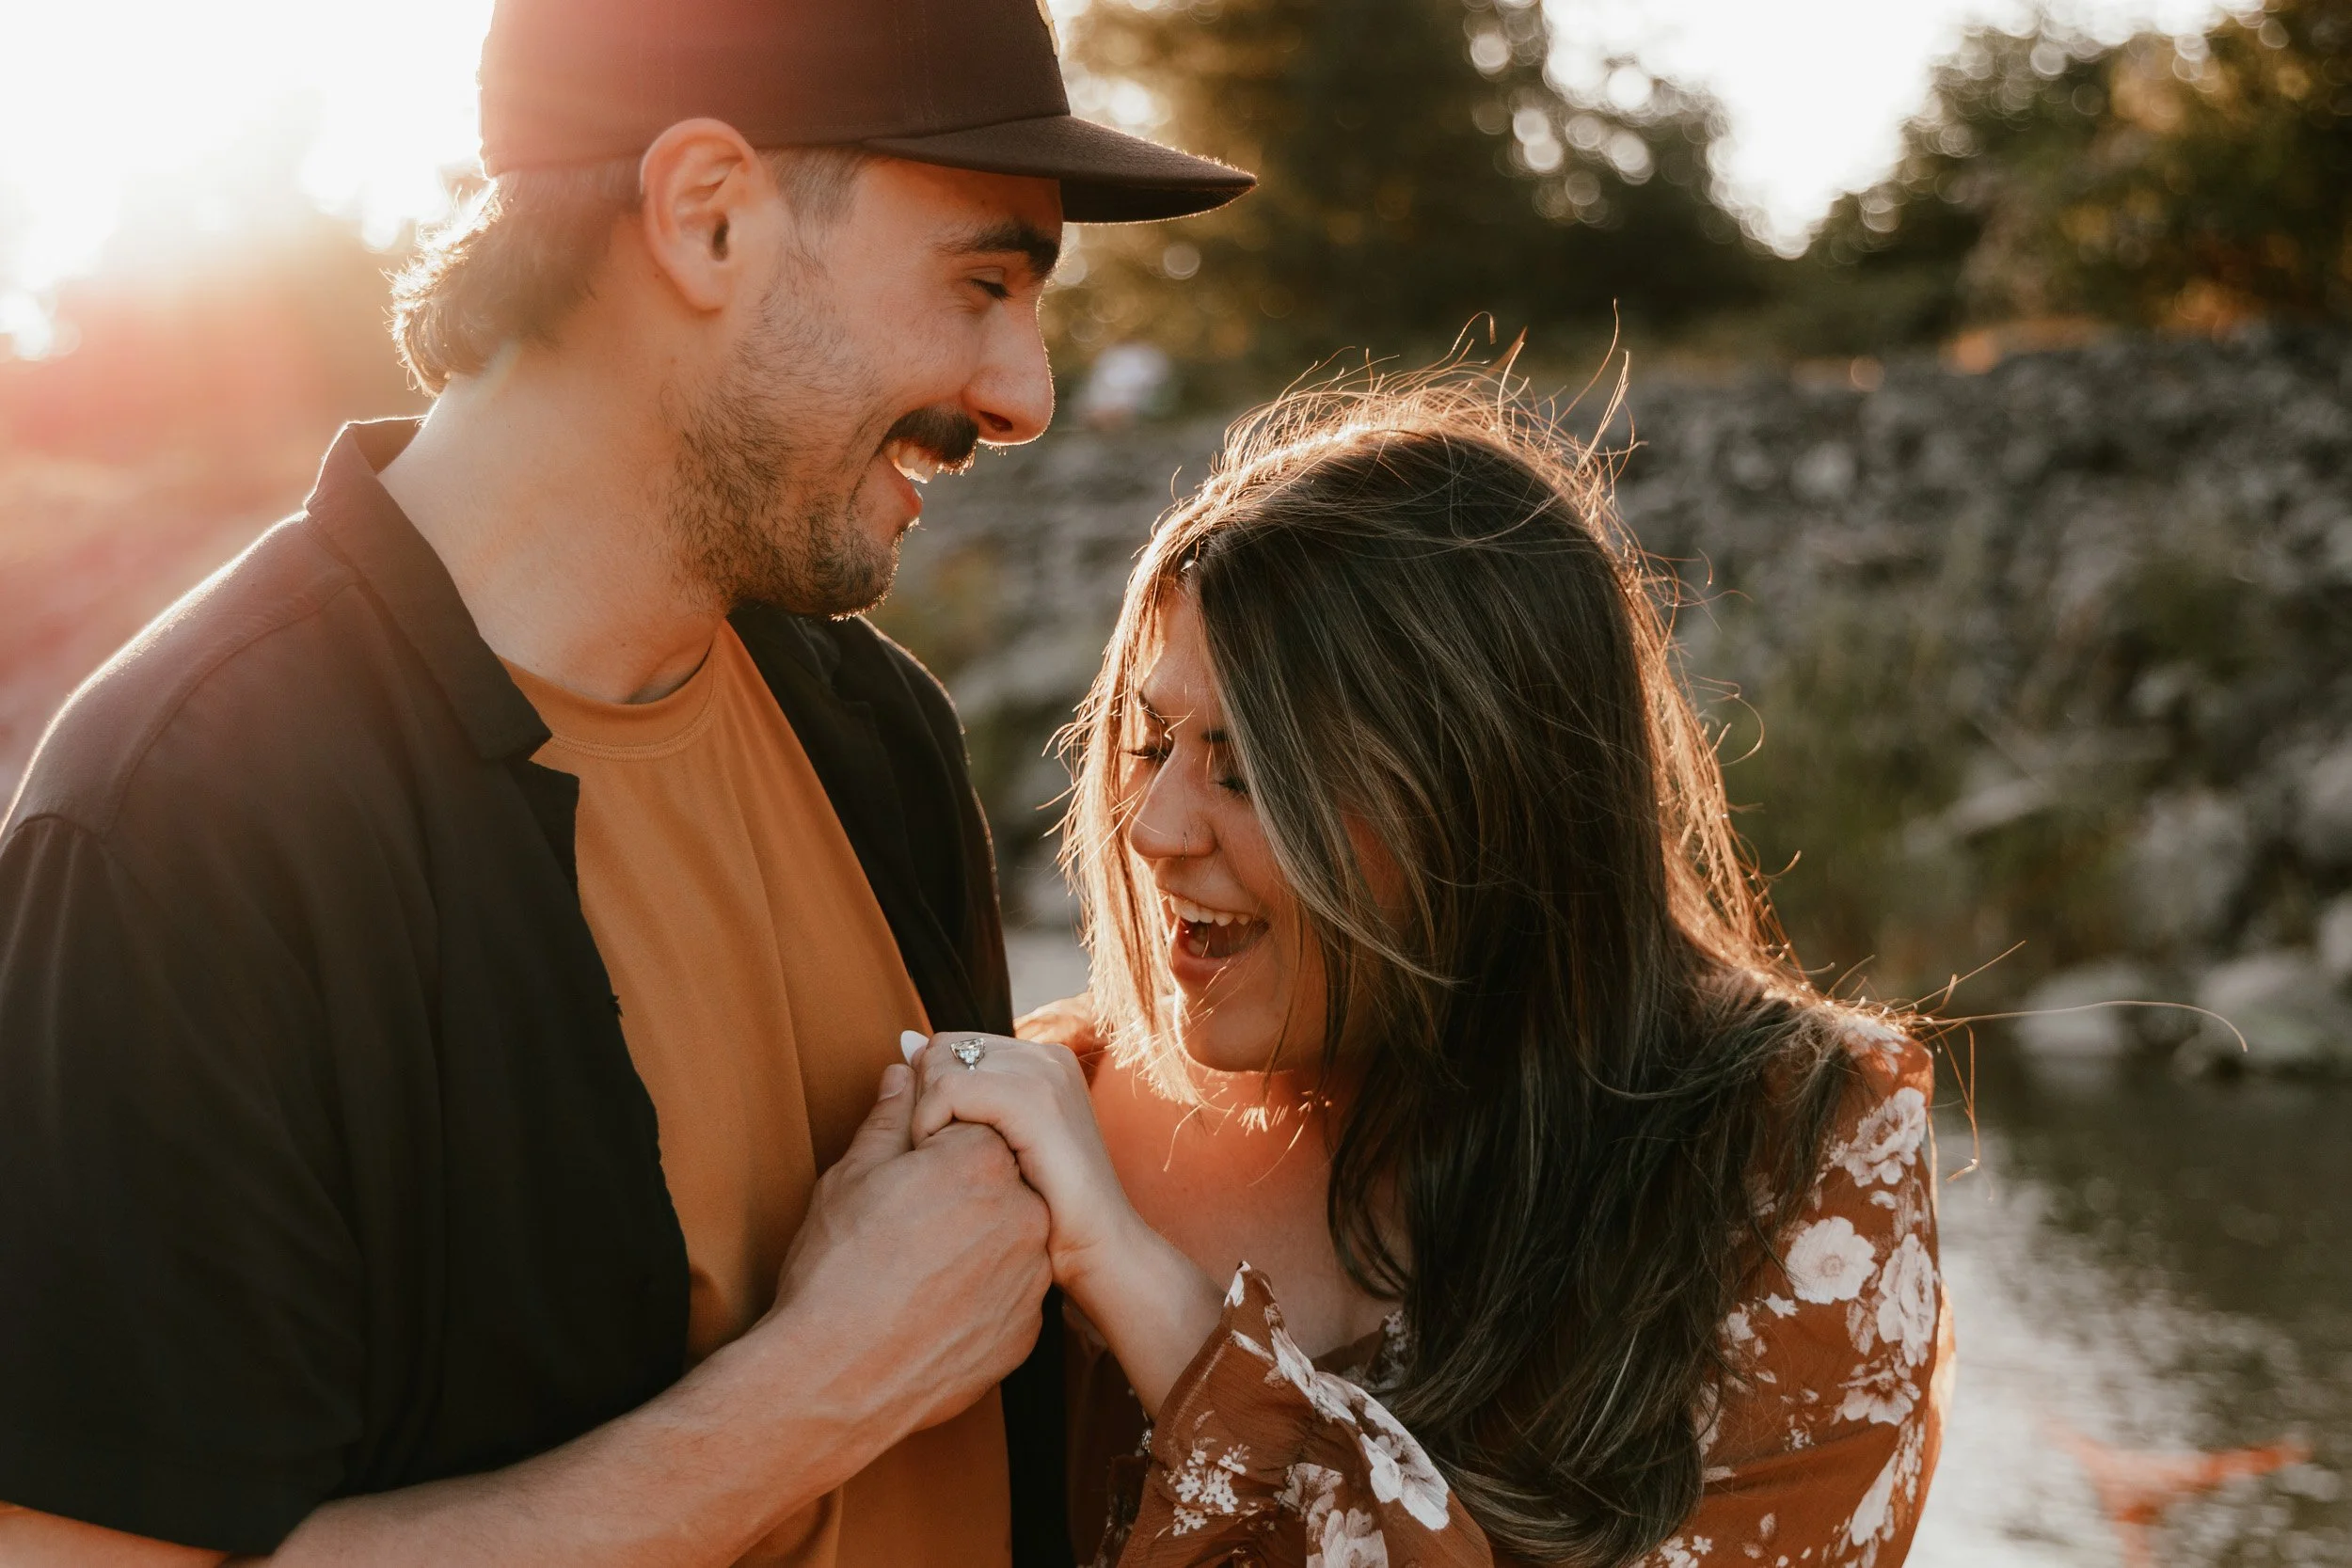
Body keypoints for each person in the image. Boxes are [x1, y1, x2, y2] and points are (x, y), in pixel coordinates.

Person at [0, 0, 1250, 1563]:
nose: (1024, 391)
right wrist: (812, 1395)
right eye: (982, 281)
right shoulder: (186, 821)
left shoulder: (877, 732)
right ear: (705, 216)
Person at [906, 374, 1954, 1567]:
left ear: (1481, 802)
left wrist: (1163, 1312)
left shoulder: (1793, 1146)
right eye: (1153, 743)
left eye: (1246, 769)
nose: (1153, 827)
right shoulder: (1044, 1123)